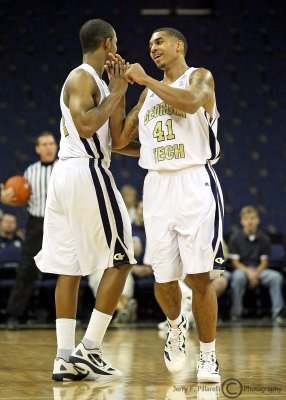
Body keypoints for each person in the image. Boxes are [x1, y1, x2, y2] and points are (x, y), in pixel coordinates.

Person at [111, 27, 225, 382]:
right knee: (163, 279)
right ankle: (176, 326)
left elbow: (190, 103)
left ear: (179, 45)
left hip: (194, 180)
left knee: (199, 277)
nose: (153, 48)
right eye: (149, 46)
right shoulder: (146, 97)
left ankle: (208, 355)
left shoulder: (199, 77)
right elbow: (119, 142)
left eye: (158, 43)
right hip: (157, 185)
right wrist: (119, 91)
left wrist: (145, 78)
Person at [34, 19, 137, 381]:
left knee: (70, 267)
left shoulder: (100, 84)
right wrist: (117, 91)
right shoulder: (80, 78)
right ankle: (90, 348)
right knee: (122, 257)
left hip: (68, 177)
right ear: (108, 43)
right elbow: (86, 126)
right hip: (85, 172)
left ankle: (64, 357)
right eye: (117, 43)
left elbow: (117, 140)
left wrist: (131, 101)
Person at [2, 132, 58, 329]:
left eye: (51, 143)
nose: (49, 147)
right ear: (37, 149)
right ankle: (13, 315)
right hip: (37, 223)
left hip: (61, 223)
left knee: (68, 270)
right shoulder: (29, 172)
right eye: (44, 144)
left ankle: (70, 316)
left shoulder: (65, 168)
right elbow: (17, 197)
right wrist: (7, 198)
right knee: (26, 270)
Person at [228, 205, 284, 323]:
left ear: (258, 220)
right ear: (242, 221)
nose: (250, 221)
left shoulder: (264, 238)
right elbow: (235, 262)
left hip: (260, 270)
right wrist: (249, 273)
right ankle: (236, 313)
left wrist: (255, 274)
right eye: (247, 218)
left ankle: (277, 313)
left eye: (253, 218)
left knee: (276, 277)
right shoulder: (235, 238)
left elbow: (264, 262)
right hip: (242, 270)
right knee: (237, 278)